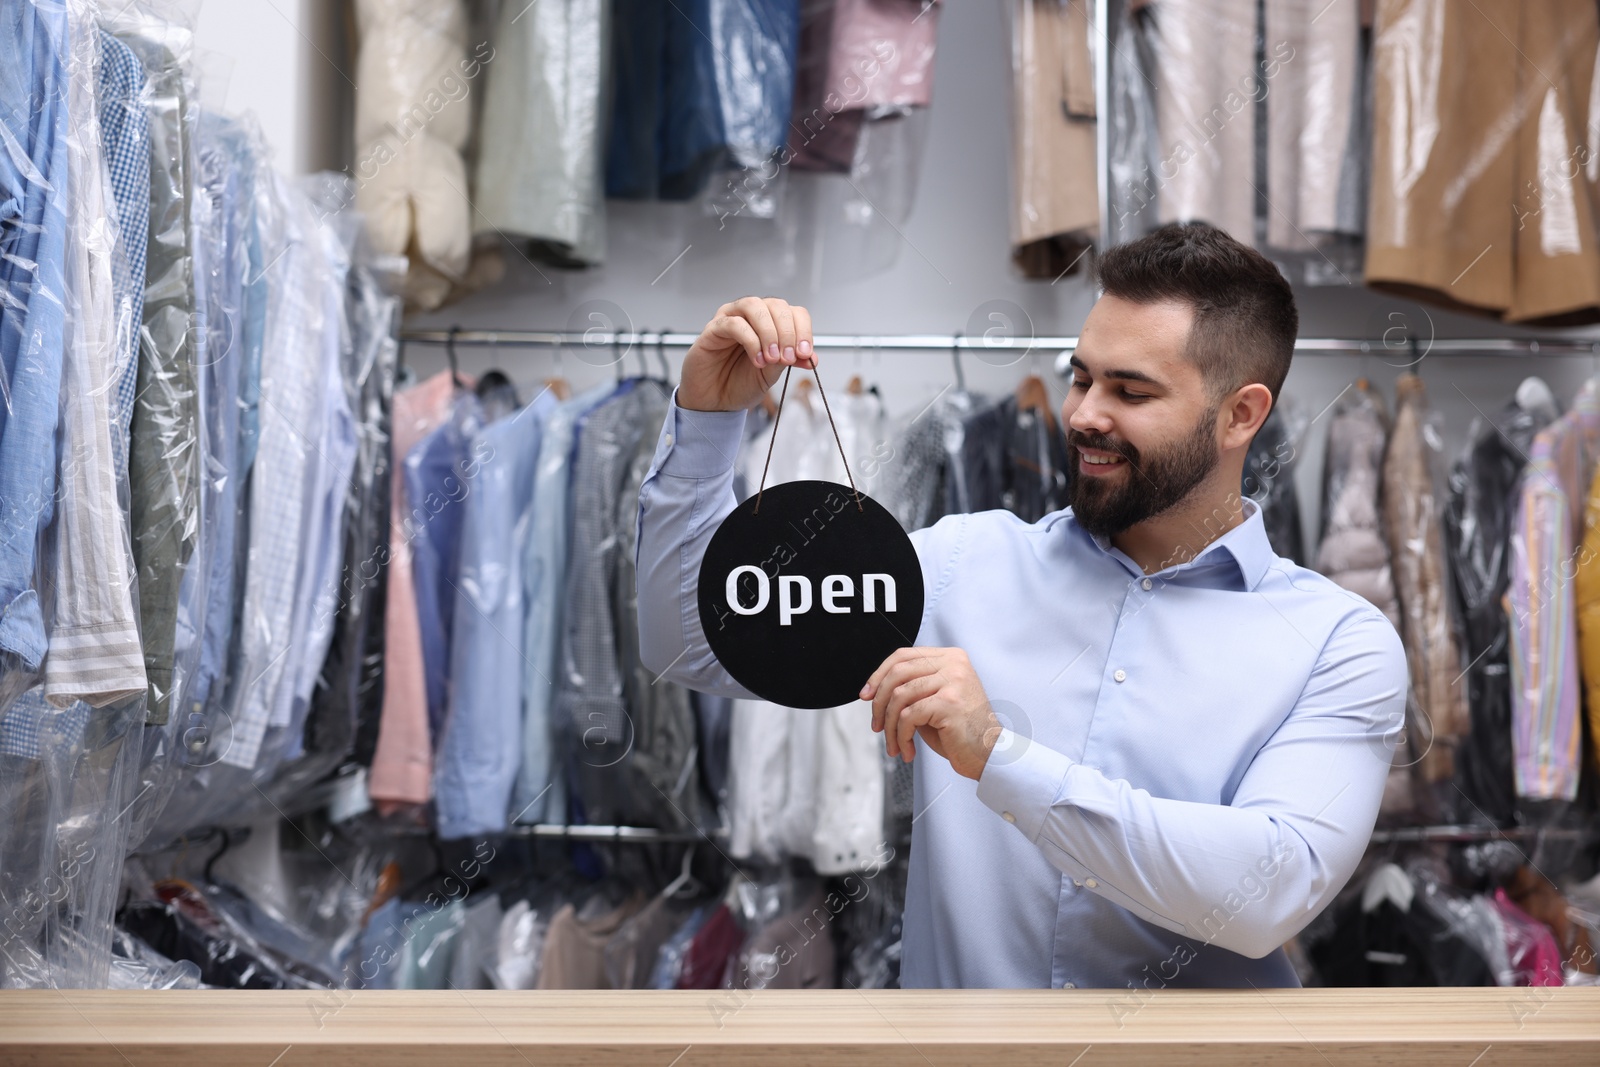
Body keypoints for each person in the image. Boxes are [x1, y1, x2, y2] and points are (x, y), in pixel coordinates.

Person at [634, 222, 1408, 990]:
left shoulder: (1337, 645)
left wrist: (1002, 757)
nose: (1081, 415)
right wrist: (707, 421)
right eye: (1081, 377)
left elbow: (1265, 892)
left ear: (1242, 414)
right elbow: (688, 645)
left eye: (1130, 390)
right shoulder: (957, 564)